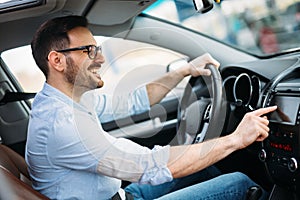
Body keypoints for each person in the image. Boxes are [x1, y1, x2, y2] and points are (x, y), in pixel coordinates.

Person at [25, 15, 277, 200]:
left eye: (98, 49)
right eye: (89, 51)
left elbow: (135, 101)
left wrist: (184, 70)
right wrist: (236, 139)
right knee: (239, 184)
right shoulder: (62, 124)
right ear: (57, 60)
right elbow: (148, 166)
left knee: (207, 168)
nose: (100, 58)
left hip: (121, 195)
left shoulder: (70, 99)